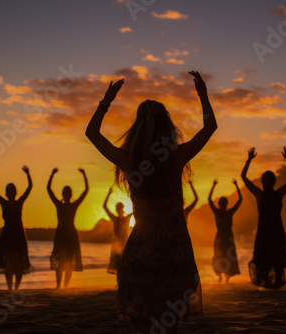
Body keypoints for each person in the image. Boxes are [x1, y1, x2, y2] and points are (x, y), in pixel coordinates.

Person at [86, 71, 217, 334]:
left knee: (142, 315)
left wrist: (106, 101)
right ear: (167, 127)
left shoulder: (129, 159)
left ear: (137, 127)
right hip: (175, 246)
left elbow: (92, 133)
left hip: (143, 247)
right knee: (170, 318)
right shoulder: (177, 156)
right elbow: (210, 128)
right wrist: (202, 95)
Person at [242, 147, 286, 289]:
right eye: (264, 179)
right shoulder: (261, 194)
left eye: (266, 179)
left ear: (270, 181)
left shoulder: (276, 193)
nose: (264, 182)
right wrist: (248, 160)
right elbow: (243, 177)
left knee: (278, 264)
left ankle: (276, 293)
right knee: (264, 265)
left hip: (274, 233)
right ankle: (270, 292)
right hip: (265, 233)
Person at [0, 164, 33, 290]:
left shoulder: (19, 202)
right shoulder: (3, 203)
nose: (10, 192)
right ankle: (10, 288)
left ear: (15, 192)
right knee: (8, 264)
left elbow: (29, 187)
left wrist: (28, 174)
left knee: (19, 263)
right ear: (6, 192)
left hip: (18, 235)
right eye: (8, 191)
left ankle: (16, 287)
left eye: (12, 190)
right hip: (7, 235)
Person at [47, 167, 88, 289]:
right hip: (60, 235)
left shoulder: (74, 205)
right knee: (60, 261)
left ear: (71, 194)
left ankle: (66, 286)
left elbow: (86, 190)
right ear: (63, 194)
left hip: (71, 236)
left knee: (69, 261)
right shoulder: (58, 204)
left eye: (68, 193)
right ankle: (58, 285)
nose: (66, 195)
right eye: (65, 193)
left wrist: (84, 175)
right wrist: (52, 175)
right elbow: (49, 189)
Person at [208, 179, 242, 283]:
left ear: (226, 204)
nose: (222, 204)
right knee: (218, 255)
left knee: (228, 255)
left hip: (228, 235)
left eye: (224, 203)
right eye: (221, 203)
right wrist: (213, 186)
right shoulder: (216, 212)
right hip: (220, 236)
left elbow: (240, 200)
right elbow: (209, 199)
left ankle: (228, 275)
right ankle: (219, 275)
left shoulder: (230, 212)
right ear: (219, 204)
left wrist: (236, 186)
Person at [104, 188, 133, 277]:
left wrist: (131, 192)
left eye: (120, 208)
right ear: (117, 210)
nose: (119, 210)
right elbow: (104, 207)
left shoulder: (127, 218)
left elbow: (136, 208)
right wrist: (108, 194)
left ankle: (121, 282)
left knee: (125, 265)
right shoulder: (115, 219)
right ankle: (119, 282)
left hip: (125, 244)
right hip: (116, 245)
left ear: (122, 209)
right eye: (118, 208)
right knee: (117, 265)